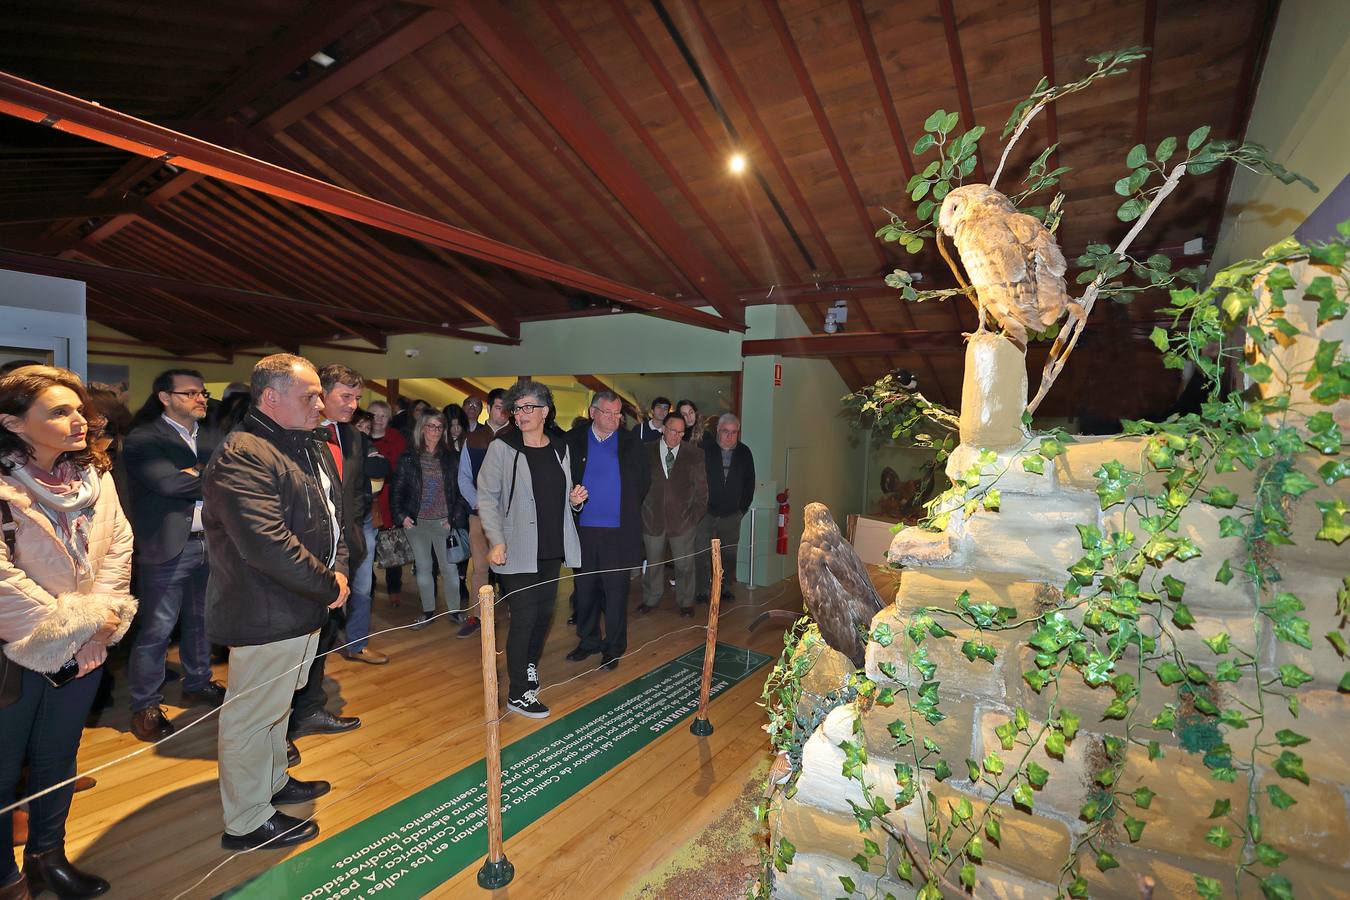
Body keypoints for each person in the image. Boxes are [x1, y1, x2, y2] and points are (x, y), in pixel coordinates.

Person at [0, 365, 137, 900]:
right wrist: (73, 632)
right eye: (59, 411)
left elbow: (118, 548)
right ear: (12, 422)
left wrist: (97, 628)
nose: (79, 418)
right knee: (4, 764)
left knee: (59, 756)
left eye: (78, 408)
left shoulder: (94, 477)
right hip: (14, 651)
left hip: (84, 644)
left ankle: (47, 858)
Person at [203, 353, 347, 851]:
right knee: (251, 715)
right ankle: (246, 821)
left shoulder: (301, 445)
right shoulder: (244, 452)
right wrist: (330, 585)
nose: (320, 404)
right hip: (267, 606)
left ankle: (272, 782)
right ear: (271, 398)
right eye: (310, 396)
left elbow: (333, 517)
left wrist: (339, 570)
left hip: (300, 602)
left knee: (277, 706)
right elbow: (266, 543)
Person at [120, 369, 225, 742]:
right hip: (166, 546)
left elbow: (235, 480)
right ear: (165, 397)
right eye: (191, 393)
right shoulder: (144, 438)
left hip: (211, 541)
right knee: (157, 629)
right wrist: (207, 475)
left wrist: (195, 472)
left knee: (203, 621)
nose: (201, 399)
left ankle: (199, 682)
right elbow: (168, 483)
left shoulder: (213, 436)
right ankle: (145, 704)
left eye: (203, 393)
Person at [477, 381, 585, 718]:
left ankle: (529, 668)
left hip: (551, 546)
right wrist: (495, 540)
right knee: (523, 618)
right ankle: (518, 693)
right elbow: (487, 496)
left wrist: (574, 502)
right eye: (517, 408)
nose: (520, 414)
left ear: (545, 411)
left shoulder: (560, 448)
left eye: (527, 407)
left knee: (543, 615)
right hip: (515, 547)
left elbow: (561, 495)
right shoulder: (503, 447)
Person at [291, 363, 387, 717]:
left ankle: (311, 707)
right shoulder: (299, 432)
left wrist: (355, 539)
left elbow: (358, 492)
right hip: (305, 551)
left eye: (357, 398)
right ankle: (292, 712)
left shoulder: (353, 437)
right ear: (321, 394)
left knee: (327, 633)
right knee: (301, 638)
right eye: (345, 396)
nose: (352, 405)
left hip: (344, 550)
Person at [563, 391, 650, 671]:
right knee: (585, 590)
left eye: (617, 414)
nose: (614, 419)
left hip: (617, 533)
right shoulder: (572, 440)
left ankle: (613, 647)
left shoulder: (630, 443)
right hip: (583, 530)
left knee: (615, 592)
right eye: (608, 413)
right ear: (593, 413)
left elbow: (643, 483)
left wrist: (621, 507)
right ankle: (588, 641)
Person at [390, 412, 467, 631]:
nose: (434, 431)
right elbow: (397, 490)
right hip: (417, 524)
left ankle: (454, 611)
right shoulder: (408, 458)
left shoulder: (452, 458)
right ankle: (428, 612)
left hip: (444, 523)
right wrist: (401, 517)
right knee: (424, 568)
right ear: (422, 429)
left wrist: (453, 519)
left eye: (438, 427)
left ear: (443, 432)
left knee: (450, 569)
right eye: (430, 426)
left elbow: (460, 492)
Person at [639, 413, 707, 617]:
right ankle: (651, 598)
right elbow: (637, 485)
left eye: (680, 432)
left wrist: (693, 518)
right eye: (672, 430)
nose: (676, 436)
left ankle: (686, 601)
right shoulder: (645, 451)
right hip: (652, 520)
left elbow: (702, 491)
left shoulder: (694, 454)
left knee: (685, 566)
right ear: (663, 429)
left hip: (684, 522)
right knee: (653, 564)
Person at [457, 388, 509, 638]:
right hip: (479, 513)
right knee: (479, 567)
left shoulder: (517, 436)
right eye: (499, 407)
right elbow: (464, 477)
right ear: (489, 407)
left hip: (509, 515)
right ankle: (477, 615)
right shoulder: (473, 438)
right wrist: (478, 502)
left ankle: (511, 608)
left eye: (508, 407)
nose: (504, 412)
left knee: (509, 565)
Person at [697, 413, 755, 605]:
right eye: (725, 432)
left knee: (729, 554)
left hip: (732, 514)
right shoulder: (704, 449)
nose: (729, 436)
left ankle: (725, 587)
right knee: (701, 552)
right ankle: (702, 590)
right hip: (705, 513)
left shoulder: (744, 452)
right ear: (717, 431)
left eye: (734, 432)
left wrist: (741, 510)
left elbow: (749, 483)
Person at [368, 400, 407, 605]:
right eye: (375, 415)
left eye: (383, 416)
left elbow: (401, 471)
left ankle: (394, 590)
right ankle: (370, 589)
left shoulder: (397, 439)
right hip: (367, 503)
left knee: (393, 549)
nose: (379, 420)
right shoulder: (361, 437)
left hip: (389, 501)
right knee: (368, 551)